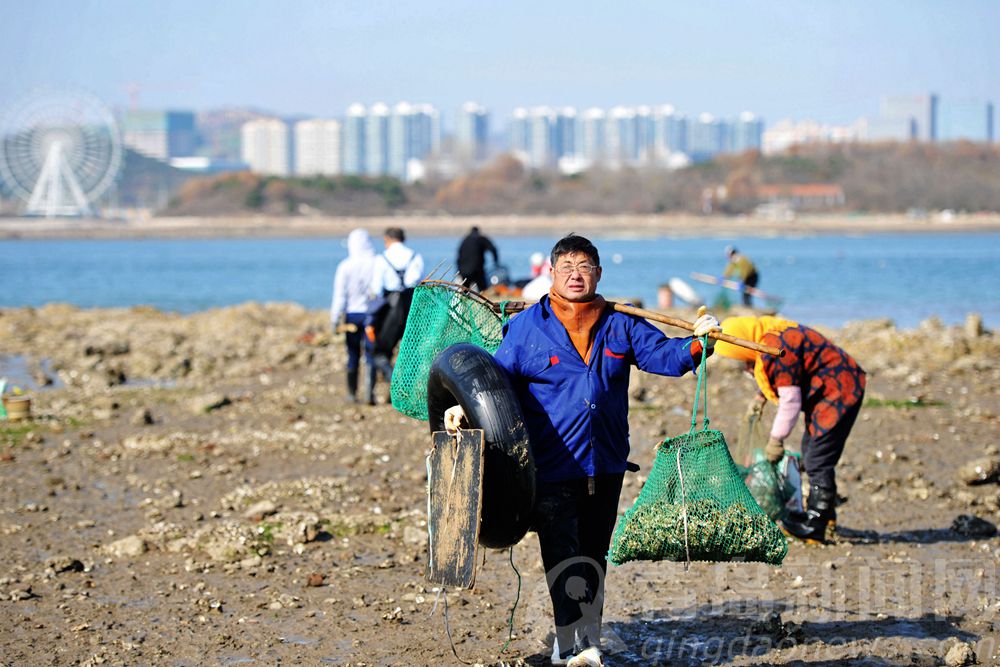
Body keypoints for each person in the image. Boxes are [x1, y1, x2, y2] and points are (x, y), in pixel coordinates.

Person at [444, 234, 720, 667]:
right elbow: (492, 381)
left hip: (606, 463)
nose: (576, 274)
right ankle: (572, 646)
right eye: (567, 266)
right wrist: (462, 407)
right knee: (564, 555)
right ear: (551, 274)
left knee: (594, 556)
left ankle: (581, 640)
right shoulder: (526, 329)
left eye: (585, 266)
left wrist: (700, 343)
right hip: (551, 467)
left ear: (598, 274)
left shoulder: (620, 323)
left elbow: (664, 356)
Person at [714, 315, 866, 544]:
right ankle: (827, 517)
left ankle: (816, 523)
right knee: (812, 451)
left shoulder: (776, 349)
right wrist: (760, 397)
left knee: (817, 458)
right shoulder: (768, 337)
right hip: (829, 389)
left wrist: (776, 440)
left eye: (741, 358)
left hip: (840, 389)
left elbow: (791, 401)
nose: (744, 365)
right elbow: (777, 376)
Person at [364, 227, 424, 405]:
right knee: (411, 351)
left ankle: (392, 381)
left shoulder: (381, 259)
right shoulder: (416, 257)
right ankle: (406, 392)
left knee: (380, 351)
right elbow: (419, 283)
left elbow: (376, 289)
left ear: (387, 239)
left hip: (390, 308)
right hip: (412, 308)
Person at [330, 228, 377, 403]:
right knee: (371, 353)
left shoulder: (345, 266)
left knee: (353, 354)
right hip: (373, 315)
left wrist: (334, 319)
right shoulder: (377, 262)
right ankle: (369, 393)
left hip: (352, 316)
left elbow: (339, 296)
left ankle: (352, 393)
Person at [456, 226, 499, 292]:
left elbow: (458, 256)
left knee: (465, 290)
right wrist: (496, 261)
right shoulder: (481, 239)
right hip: (477, 269)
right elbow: (493, 249)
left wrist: (459, 270)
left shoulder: (465, 240)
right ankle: (484, 299)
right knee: (482, 289)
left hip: (464, 270)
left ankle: (465, 299)